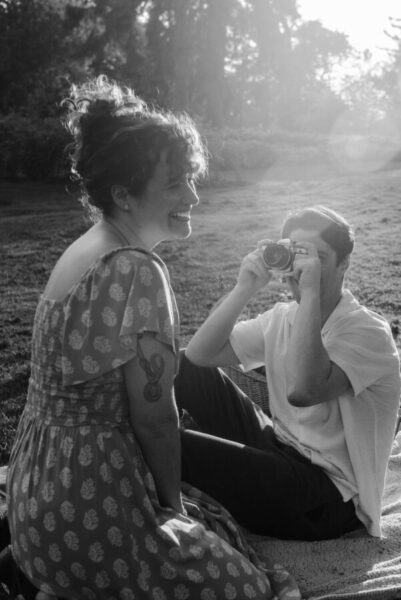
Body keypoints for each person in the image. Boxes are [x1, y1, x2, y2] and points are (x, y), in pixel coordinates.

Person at [5, 76, 300, 600]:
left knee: (215, 521)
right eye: (174, 184)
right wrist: (171, 511)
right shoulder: (135, 269)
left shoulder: (84, 248)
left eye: (190, 179)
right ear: (123, 193)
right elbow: (157, 418)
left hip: (35, 499)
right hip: (85, 504)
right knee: (254, 587)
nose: (193, 195)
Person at [179, 205, 401, 541]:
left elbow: (304, 390)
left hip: (331, 497)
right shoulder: (282, 316)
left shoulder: (369, 332)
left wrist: (309, 293)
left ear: (345, 263)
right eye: (296, 255)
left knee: (177, 444)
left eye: (318, 258)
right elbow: (199, 356)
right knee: (182, 367)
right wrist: (245, 287)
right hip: (279, 446)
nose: (304, 268)